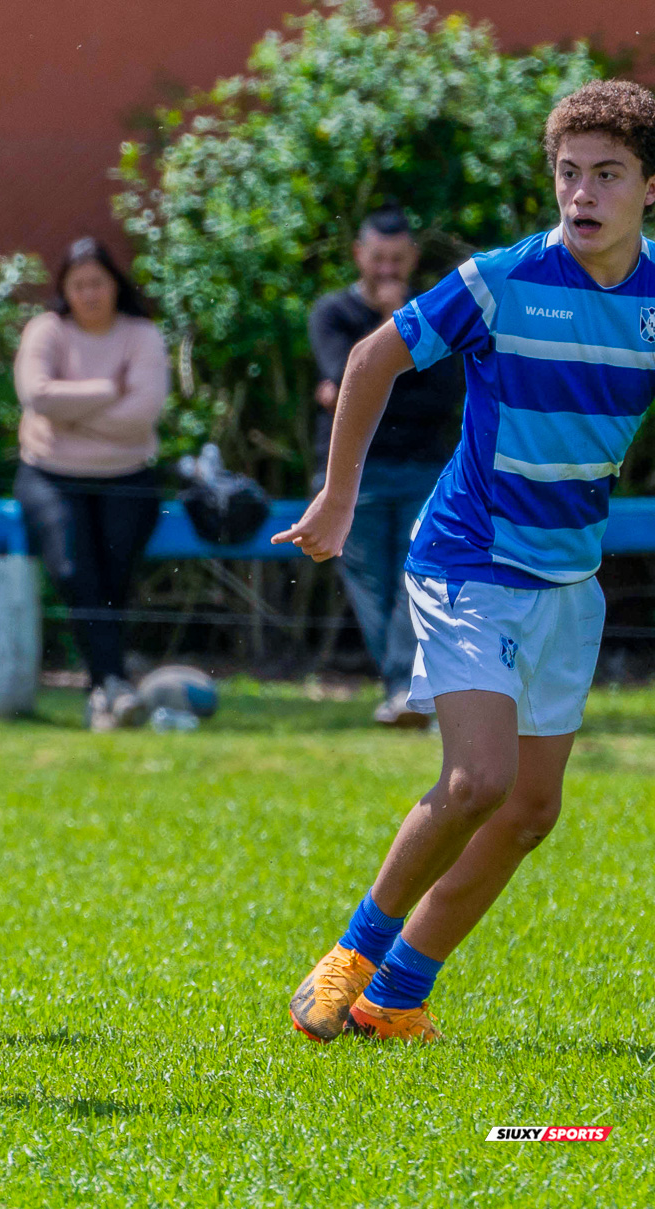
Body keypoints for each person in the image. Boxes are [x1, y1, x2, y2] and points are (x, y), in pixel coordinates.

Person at [279, 80, 655, 1043]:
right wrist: (339, 495)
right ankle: (350, 957)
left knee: (531, 810)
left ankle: (398, 996)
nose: (582, 194)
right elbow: (370, 360)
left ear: (649, 188)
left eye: (607, 175)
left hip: (568, 579)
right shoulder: (503, 279)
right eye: (570, 173)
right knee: (478, 781)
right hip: (467, 561)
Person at [308, 207, 465, 727]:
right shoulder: (331, 313)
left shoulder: (436, 309)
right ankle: (404, 687)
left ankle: (404, 689)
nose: (388, 271)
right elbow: (347, 378)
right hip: (354, 474)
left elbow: (444, 397)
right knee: (370, 585)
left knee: (413, 579)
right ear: (359, 255)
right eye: (378, 259)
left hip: (424, 469)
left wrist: (367, 384)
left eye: (398, 261)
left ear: (412, 258)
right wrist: (390, 332)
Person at [13, 238, 169, 732]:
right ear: (64, 289)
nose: (89, 293)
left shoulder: (142, 336)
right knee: (72, 569)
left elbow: (142, 415)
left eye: (98, 282)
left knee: (113, 580)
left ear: (115, 285)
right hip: (48, 475)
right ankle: (113, 686)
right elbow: (36, 395)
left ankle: (106, 690)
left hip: (129, 477)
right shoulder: (45, 331)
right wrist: (109, 390)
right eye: (78, 284)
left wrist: (71, 415)